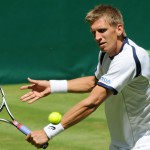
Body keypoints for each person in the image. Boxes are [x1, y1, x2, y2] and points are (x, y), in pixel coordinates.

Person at [20, 4, 150, 150]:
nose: (97, 38)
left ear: (119, 29)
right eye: (93, 33)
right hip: (119, 144)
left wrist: (48, 132)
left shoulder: (129, 58)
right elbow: (94, 82)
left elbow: (93, 101)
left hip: (142, 144)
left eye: (102, 31)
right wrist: (53, 86)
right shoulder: (106, 54)